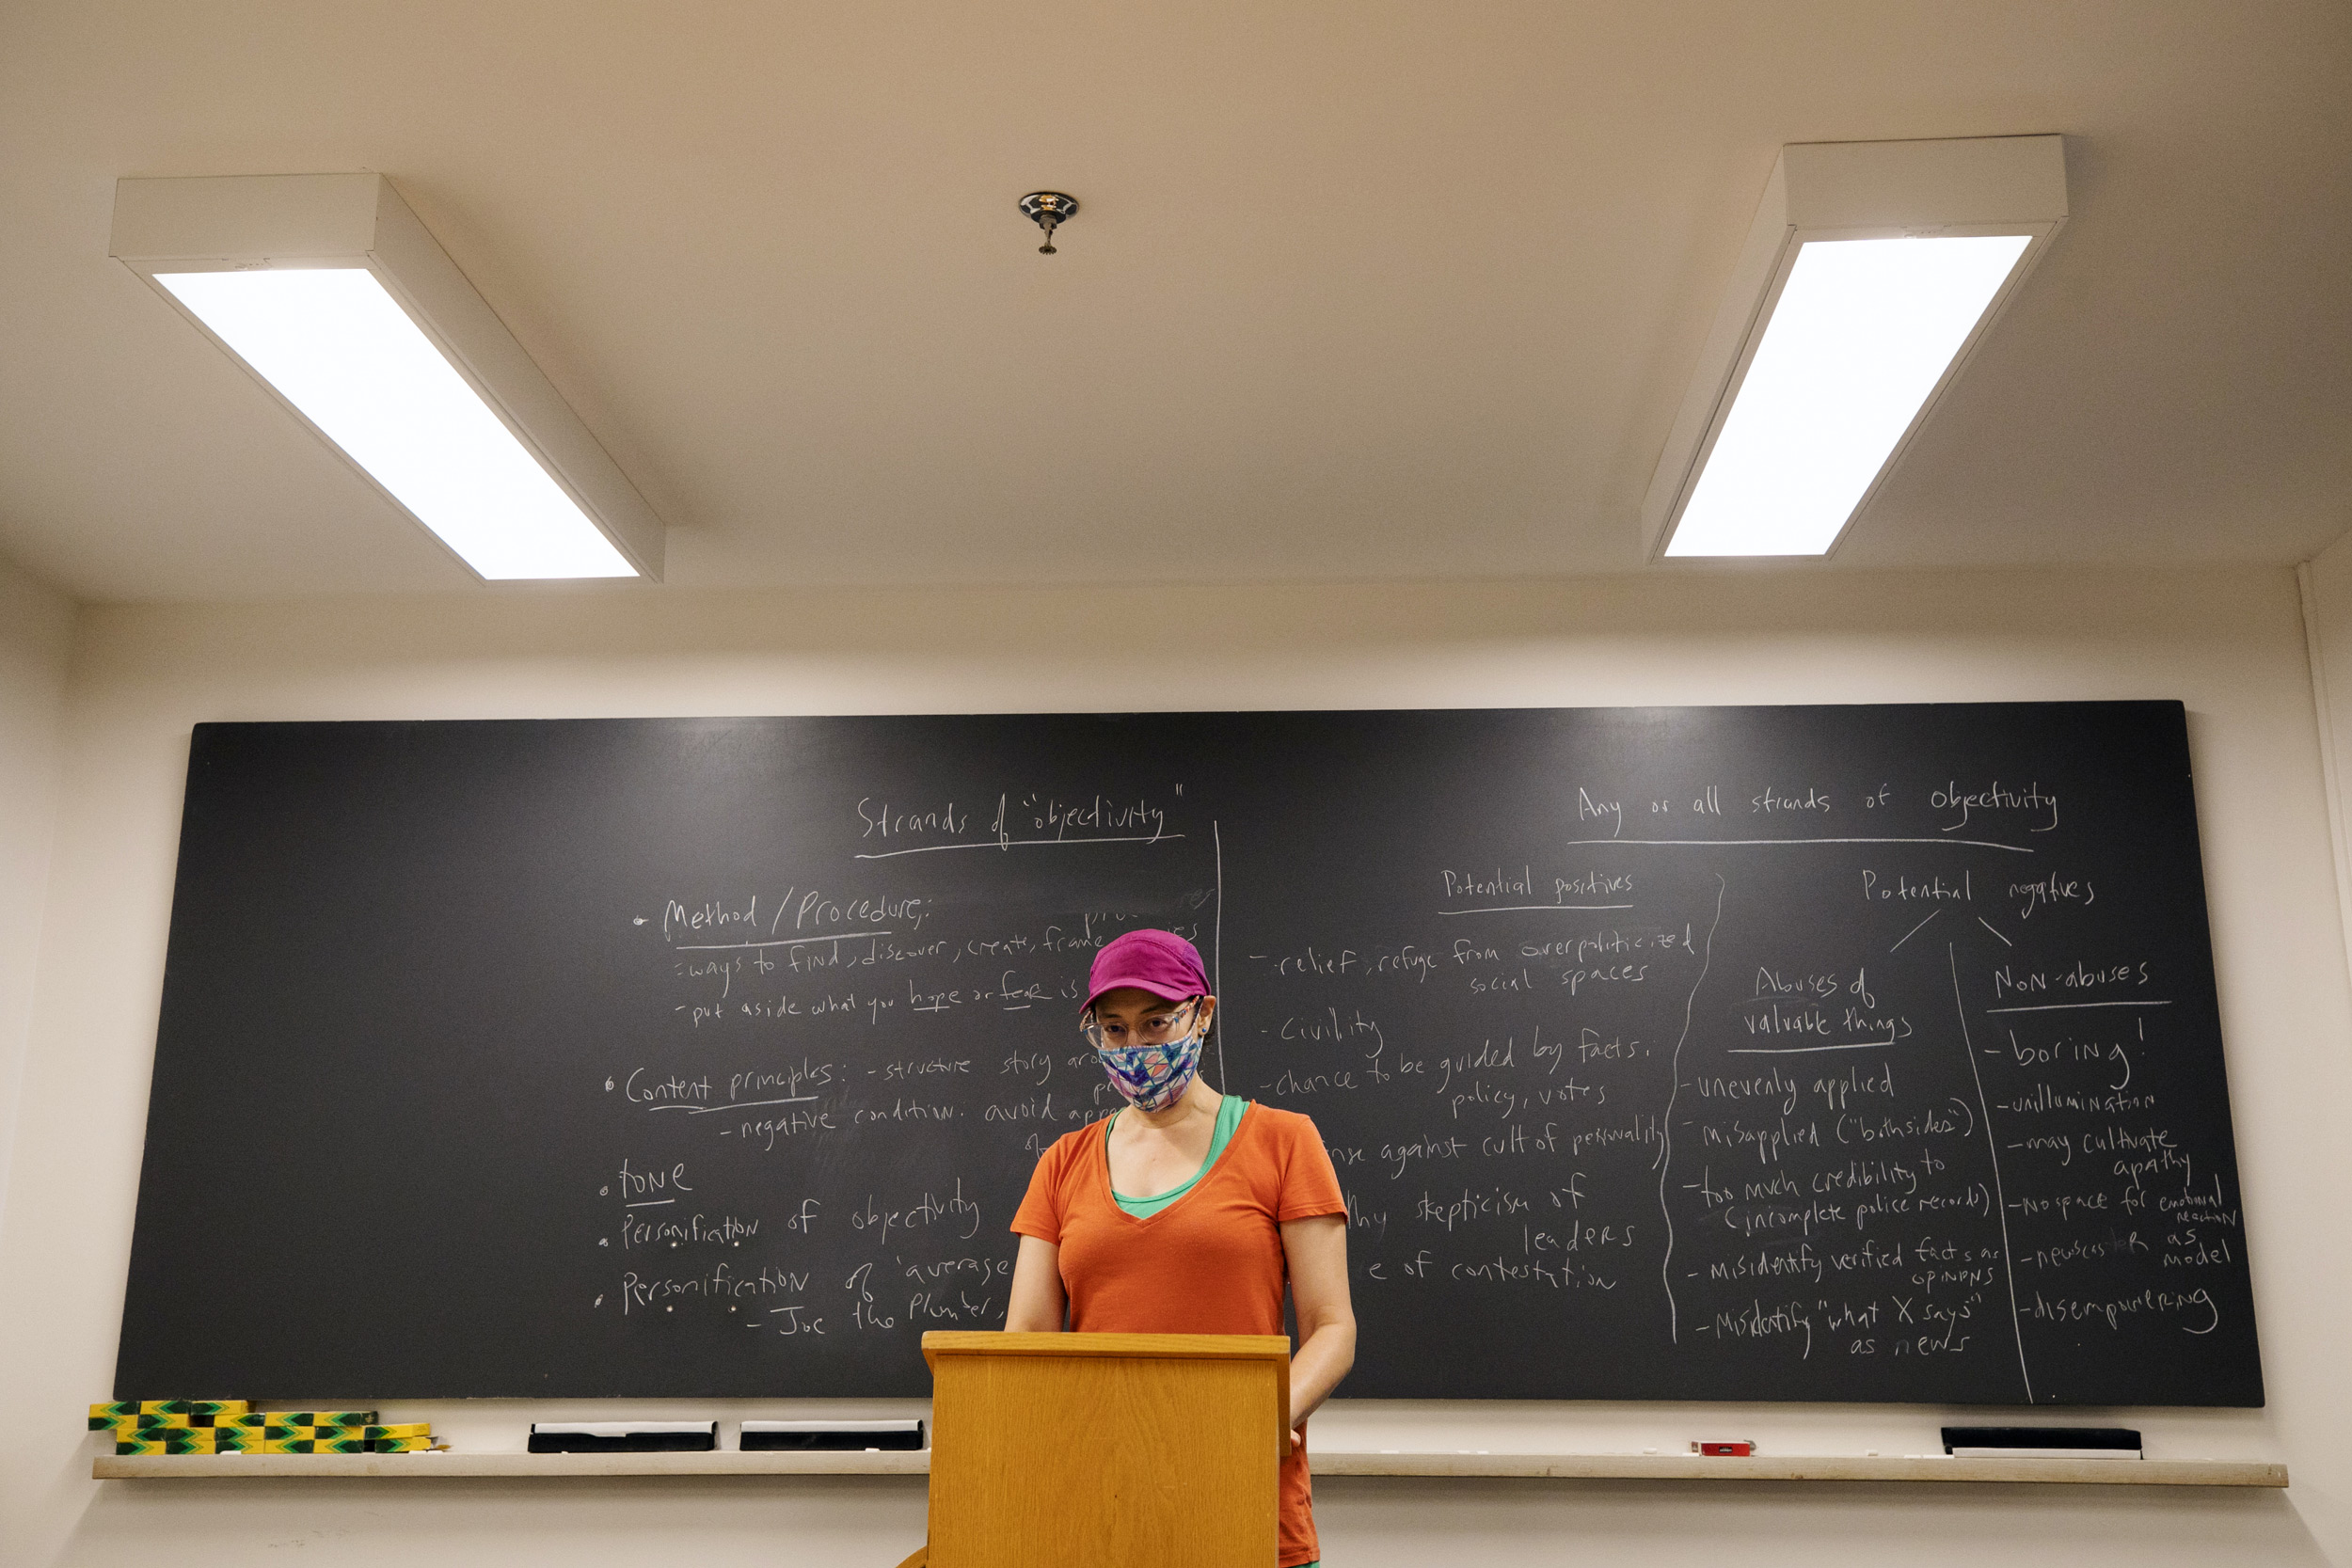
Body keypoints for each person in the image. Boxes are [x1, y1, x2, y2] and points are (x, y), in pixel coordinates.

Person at [1007, 927, 1356, 1568]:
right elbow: (1027, 1340)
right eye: (1114, 1029)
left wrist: (1265, 1413)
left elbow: (1332, 1327)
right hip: (1097, 1506)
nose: (1134, 1046)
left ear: (1203, 1013)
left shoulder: (1284, 1141)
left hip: (1246, 1500)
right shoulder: (1062, 1163)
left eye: (1156, 1021)